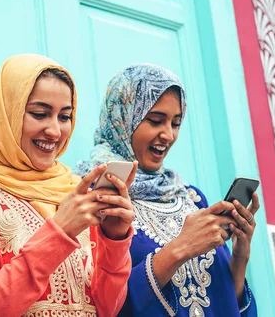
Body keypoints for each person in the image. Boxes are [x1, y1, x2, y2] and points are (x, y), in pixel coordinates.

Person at [0, 54, 136, 316]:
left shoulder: (80, 194)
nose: (54, 131)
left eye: (64, 117)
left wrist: (115, 241)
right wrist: (59, 232)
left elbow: (108, 308)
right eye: (40, 114)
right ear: (7, 114)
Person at [76, 63, 258, 316]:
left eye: (176, 123)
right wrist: (179, 249)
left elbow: (226, 299)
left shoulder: (191, 197)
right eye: (155, 120)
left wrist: (240, 256)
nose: (168, 135)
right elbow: (100, 305)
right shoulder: (95, 198)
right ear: (122, 118)